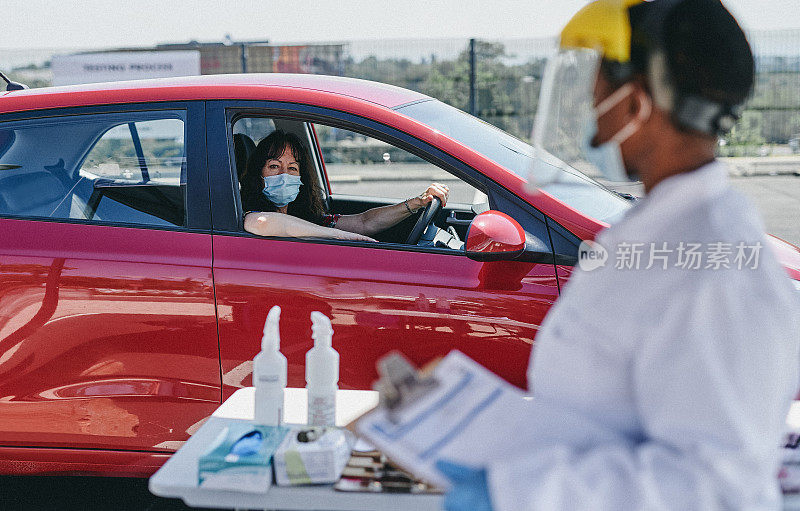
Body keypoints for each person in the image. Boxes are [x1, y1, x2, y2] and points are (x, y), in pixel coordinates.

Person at [434, 0, 800, 509]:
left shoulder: (715, 269)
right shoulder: (664, 232)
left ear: (638, 102)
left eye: (600, 78)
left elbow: (712, 487)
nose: (589, 97)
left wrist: (519, 490)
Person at [241, 130, 449, 242]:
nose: (284, 175)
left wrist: (416, 203)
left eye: (293, 168)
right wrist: (341, 236)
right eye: (274, 166)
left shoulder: (311, 219)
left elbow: (366, 222)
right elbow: (262, 223)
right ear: (258, 174)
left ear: (302, 178)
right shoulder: (245, 214)